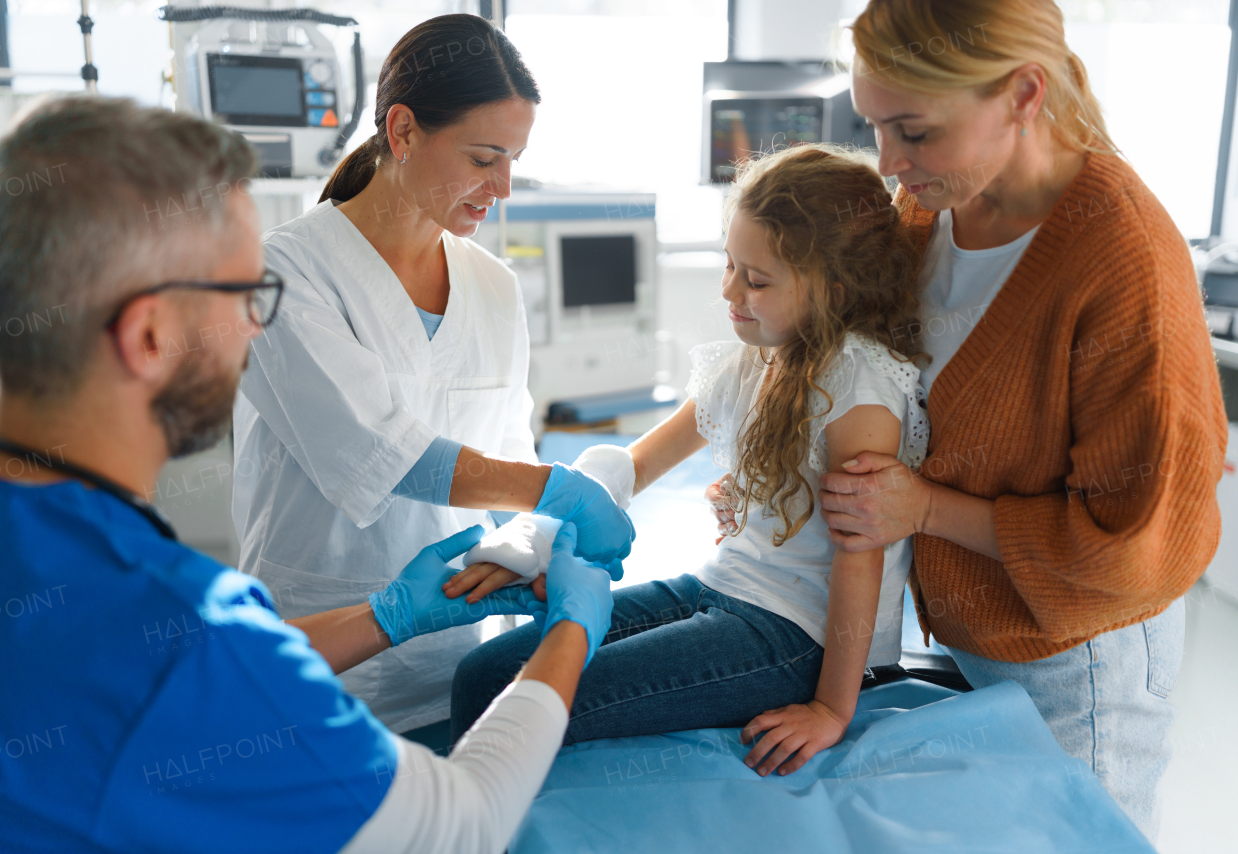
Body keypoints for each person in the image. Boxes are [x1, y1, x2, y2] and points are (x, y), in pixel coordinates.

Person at [0, 94, 618, 854]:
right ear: (148, 335)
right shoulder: (176, 632)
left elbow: (139, 671)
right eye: (246, 295)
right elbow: (464, 823)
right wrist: (570, 632)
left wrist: (389, 616)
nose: (256, 324)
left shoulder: (107, 602)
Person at [779, 0, 1224, 842]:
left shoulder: (1121, 258)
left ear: (1023, 94)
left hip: (1077, 653)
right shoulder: (930, 211)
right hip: (966, 619)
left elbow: (1130, 552)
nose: (889, 162)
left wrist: (921, 510)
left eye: (912, 130)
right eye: (874, 126)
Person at [450, 143, 933, 776]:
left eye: (756, 280)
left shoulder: (860, 387)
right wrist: (530, 544)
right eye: (729, 265)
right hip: (721, 587)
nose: (730, 290)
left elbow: (860, 560)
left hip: (793, 638)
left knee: (508, 702)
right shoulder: (753, 359)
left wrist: (830, 709)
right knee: (483, 672)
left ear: (834, 291)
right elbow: (635, 465)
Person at [231, 13, 631, 736]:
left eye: (513, 159)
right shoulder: (283, 272)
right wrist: (556, 489)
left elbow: (507, 455)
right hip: (323, 632)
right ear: (404, 130)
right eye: (483, 158)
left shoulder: (492, 286)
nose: (503, 186)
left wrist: (539, 540)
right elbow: (381, 453)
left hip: (456, 644)